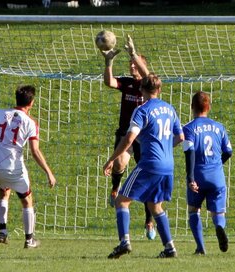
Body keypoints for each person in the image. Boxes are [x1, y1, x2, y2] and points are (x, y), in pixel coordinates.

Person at [103, 72, 184, 259]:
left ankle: (124, 242)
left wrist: (111, 159)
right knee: (155, 206)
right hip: (168, 165)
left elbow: (129, 139)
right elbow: (180, 137)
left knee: (122, 200)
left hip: (150, 163)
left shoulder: (142, 110)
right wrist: (164, 147)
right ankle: (170, 247)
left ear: (141, 89)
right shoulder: (169, 108)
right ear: (159, 89)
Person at [101, 35, 156, 240]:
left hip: (145, 137)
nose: (132, 66)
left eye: (135, 64)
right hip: (126, 134)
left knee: (148, 180)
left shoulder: (149, 86)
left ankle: (149, 221)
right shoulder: (127, 83)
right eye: (130, 63)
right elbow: (109, 81)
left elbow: (148, 76)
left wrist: (134, 53)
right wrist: (109, 62)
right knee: (120, 164)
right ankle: (115, 188)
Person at [0, 85, 57, 248]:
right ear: (32, 102)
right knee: (27, 199)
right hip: (14, 168)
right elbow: (35, 151)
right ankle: (29, 240)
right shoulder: (30, 122)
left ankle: (3, 230)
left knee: (4, 192)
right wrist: (49, 172)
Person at [182, 91, 232, 255]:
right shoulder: (219, 127)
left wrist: (190, 178)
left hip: (198, 175)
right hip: (216, 176)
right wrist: (218, 164)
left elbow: (189, 152)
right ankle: (219, 226)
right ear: (208, 107)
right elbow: (229, 151)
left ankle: (200, 247)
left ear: (192, 107)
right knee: (218, 212)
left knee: (193, 209)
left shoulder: (189, 128)